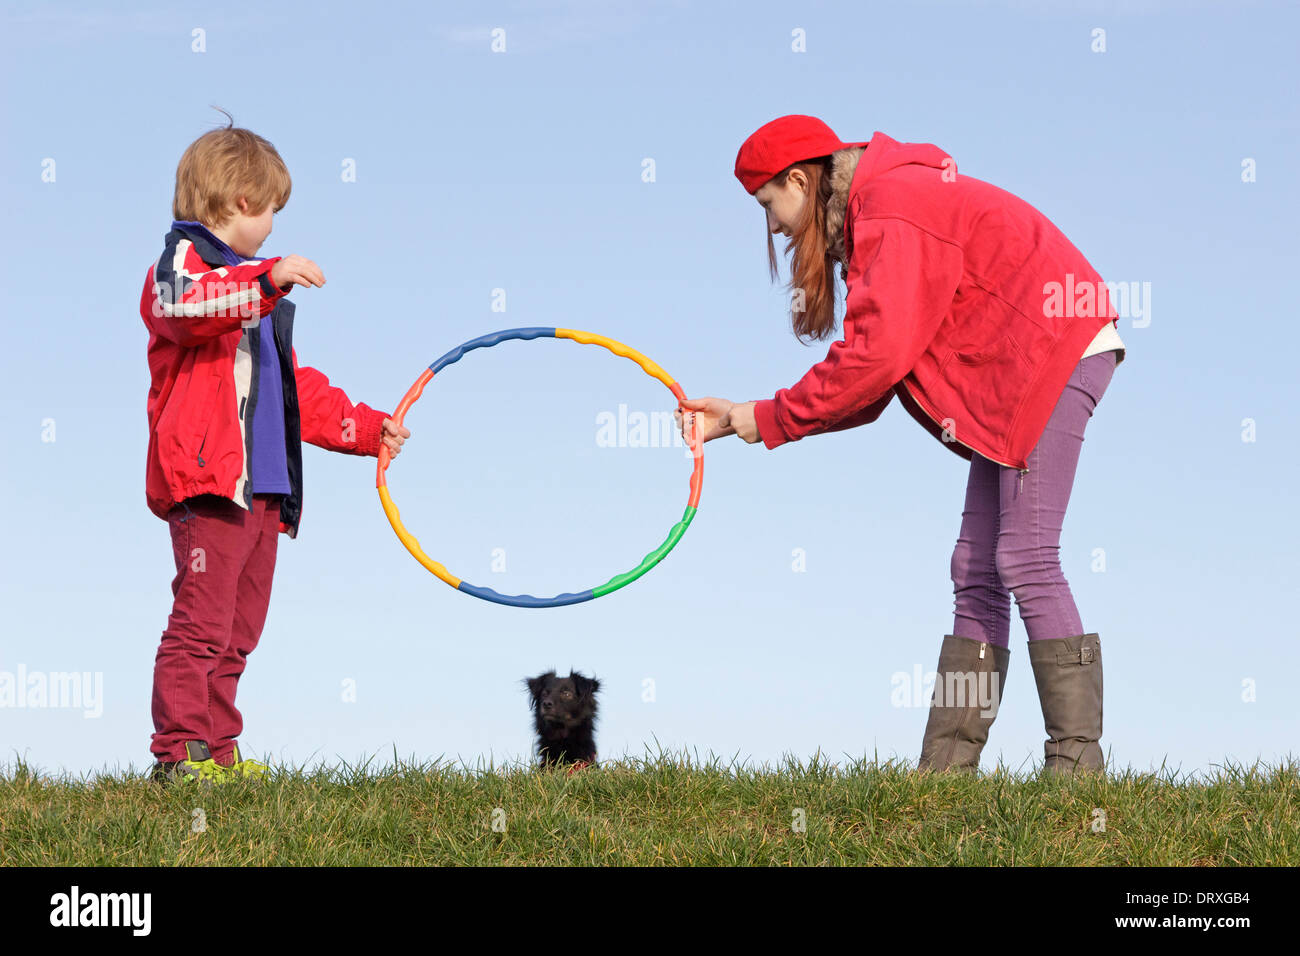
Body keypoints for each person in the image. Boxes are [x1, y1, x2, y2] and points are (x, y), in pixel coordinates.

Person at [676, 115, 1125, 776]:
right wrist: (752, 416)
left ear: (800, 179)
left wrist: (765, 417)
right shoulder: (871, 222)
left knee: (1025, 557)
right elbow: (873, 377)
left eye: (769, 205)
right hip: (1011, 374)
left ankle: (1077, 772)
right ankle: (942, 778)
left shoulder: (893, 208)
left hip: (1051, 351)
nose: (771, 226)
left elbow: (874, 360)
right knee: (974, 568)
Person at [140, 113, 411, 785]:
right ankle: (179, 755)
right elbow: (179, 306)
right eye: (272, 211)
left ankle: (220, 756)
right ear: (242, 202)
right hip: (208, 484)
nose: (274, 227)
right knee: (200, 622)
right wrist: (265, 279)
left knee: (237, 631)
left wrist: (366, 428)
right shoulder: (187, 265)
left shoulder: (253, 295)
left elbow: (294, 392)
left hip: (263, 491)